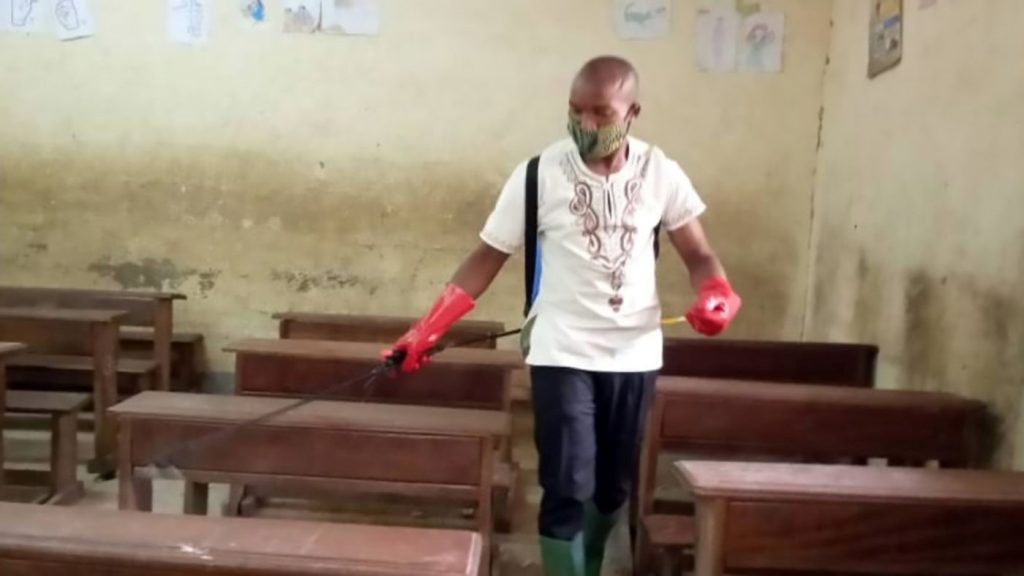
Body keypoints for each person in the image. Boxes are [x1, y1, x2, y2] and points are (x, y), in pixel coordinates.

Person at [385, 55, 740, 576]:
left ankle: (589, 566)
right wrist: (426, 330)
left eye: (600, 113)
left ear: (633, 112)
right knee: (567, 484)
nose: (585, 124)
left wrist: (717, 292)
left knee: (612, 487)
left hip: (634, 353)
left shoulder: (661, 172)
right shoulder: (538, 175)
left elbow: (699, 253)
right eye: (576, 111)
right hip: (561, 349)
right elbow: (487, 255)